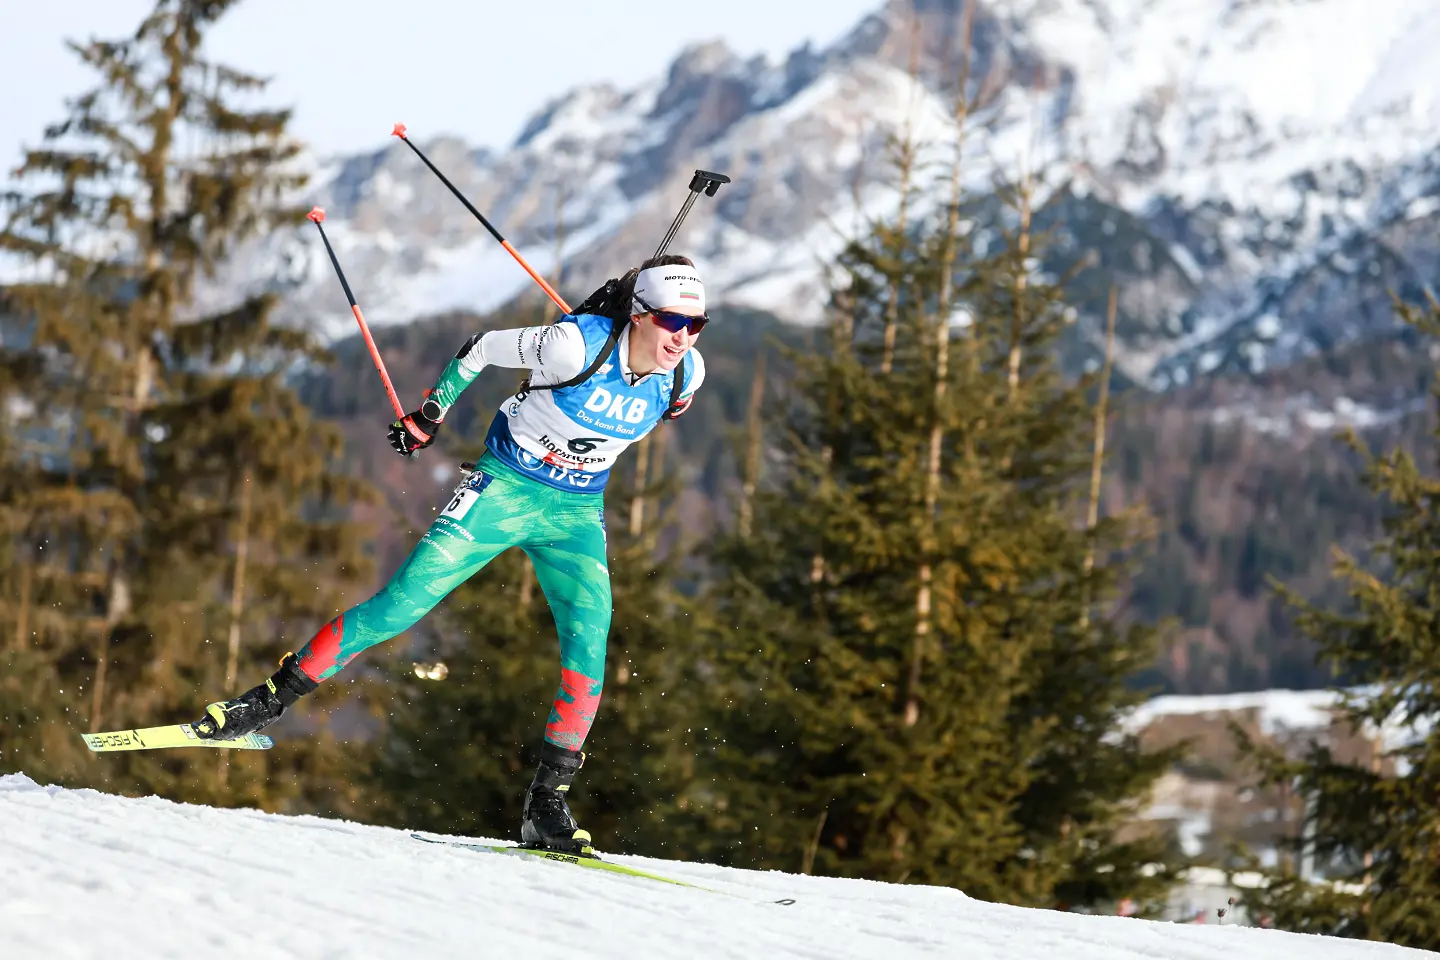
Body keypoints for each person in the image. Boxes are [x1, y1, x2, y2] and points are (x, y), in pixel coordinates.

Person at [190, 255, 709, 854]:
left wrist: (656, 392)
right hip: (505, 488)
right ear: (640, 315)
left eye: (697, 325)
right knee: (401, 605)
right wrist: (429, 413)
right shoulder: (572, 346)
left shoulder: (684, 373)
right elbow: (481, 347)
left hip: (575, 513)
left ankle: (547, 805)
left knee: (589, 647)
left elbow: (670, 403)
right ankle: (264, 702)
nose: (684, 337)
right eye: (674, 321)